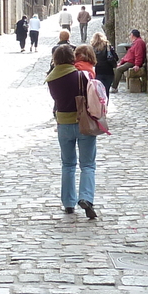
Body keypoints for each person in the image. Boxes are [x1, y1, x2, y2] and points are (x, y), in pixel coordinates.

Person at [45, 43, 98, 219]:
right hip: (83, 123)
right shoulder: (80, 75)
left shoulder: (51, 78)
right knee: (87, 164)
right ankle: (86, 198)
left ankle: (68, 203)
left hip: (63, 124)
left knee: (67, 165)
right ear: (72, 58)